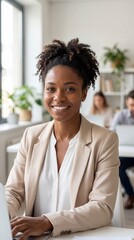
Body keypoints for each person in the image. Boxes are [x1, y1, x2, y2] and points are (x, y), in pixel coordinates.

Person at [5, 38, 119, 239]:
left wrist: (47, 222)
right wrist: (3, 214)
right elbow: (13, 192)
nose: (58, 97)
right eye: (51, 89)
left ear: (84, 93)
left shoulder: (105, 140)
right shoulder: (31, 137)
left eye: (70, 89)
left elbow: (102, 207)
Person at [111, 90, 134, 209]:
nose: (133, 108)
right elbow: (111, 133)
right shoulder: (121, 115)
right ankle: (131, 195)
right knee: (118, 166)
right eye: (131, 105)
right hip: (126, 154)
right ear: (127, 103)